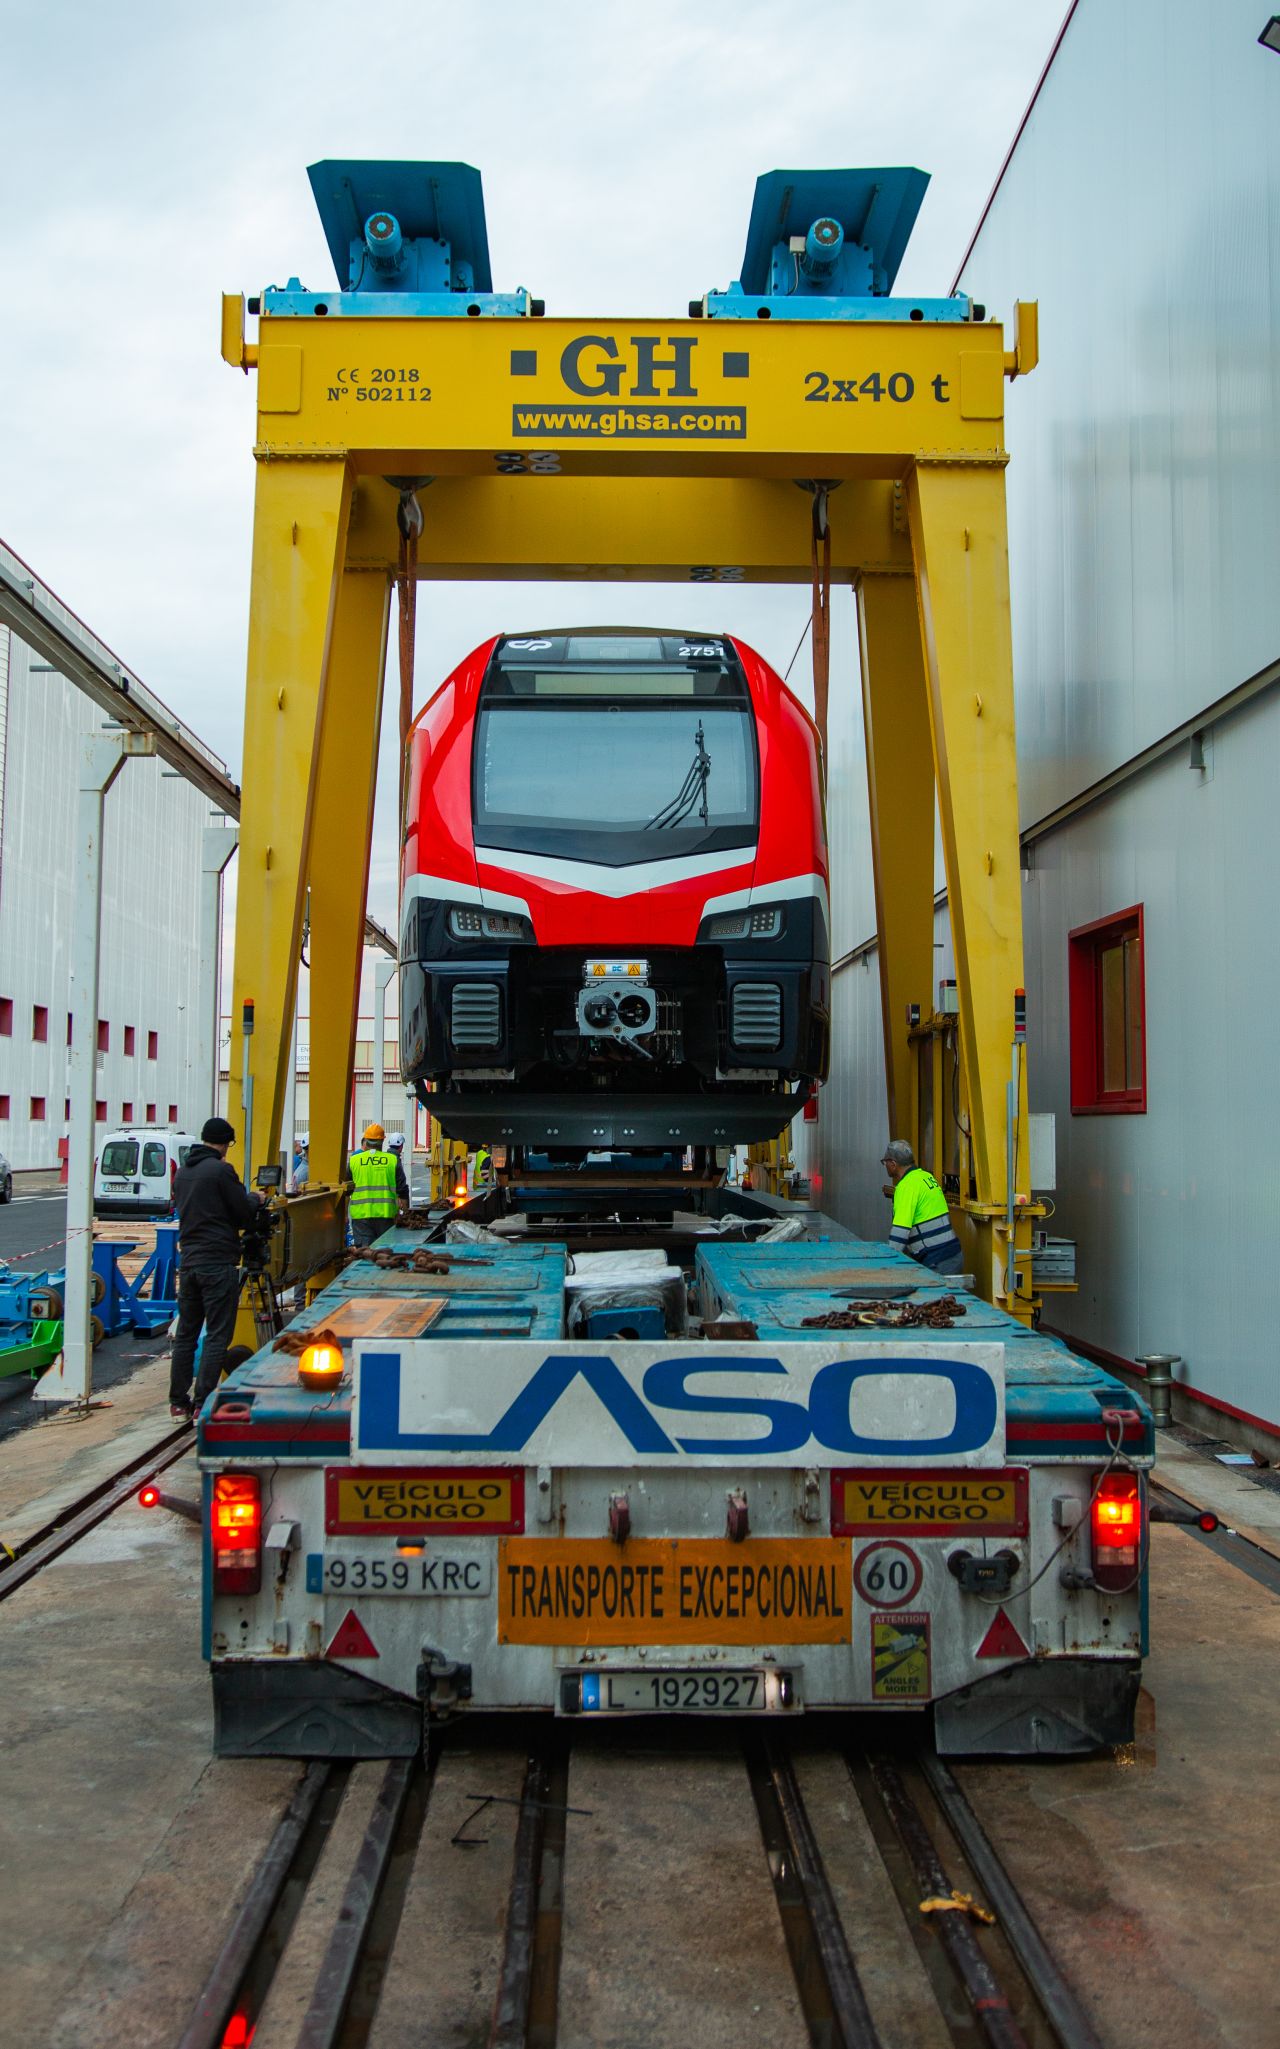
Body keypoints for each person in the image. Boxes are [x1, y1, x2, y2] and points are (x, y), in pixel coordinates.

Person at [169, 1116, 263, 1419]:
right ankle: (203, 1402)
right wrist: (255, 1199)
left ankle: (178, 1400)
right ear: (224, 1142)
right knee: (217, 1333)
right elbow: (241, 1215)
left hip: (190, 1262)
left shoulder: (183, 1173)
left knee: (186, 1333)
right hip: (218, 1262)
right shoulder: (221, 1171)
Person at [880, 1140, 964, 1275]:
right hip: (953, 1255)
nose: (885, 1166)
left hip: (938, 1260)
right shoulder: (926, 1177)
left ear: (893, 1164)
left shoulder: (906, 1186)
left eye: (885, 1162)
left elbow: (900, 1231)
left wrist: (886, 1265)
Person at [347, 1123, 408, 1246]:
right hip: (386, 1217)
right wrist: (405, 1214)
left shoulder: (353, 1160)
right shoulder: (392, 1160)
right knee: (385, 1252)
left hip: (361, 1217)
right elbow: (402, 1190)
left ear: (365, 1140)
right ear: (382, 1141)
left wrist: (344, 1216)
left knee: (364, 1254)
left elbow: (346, 1191)